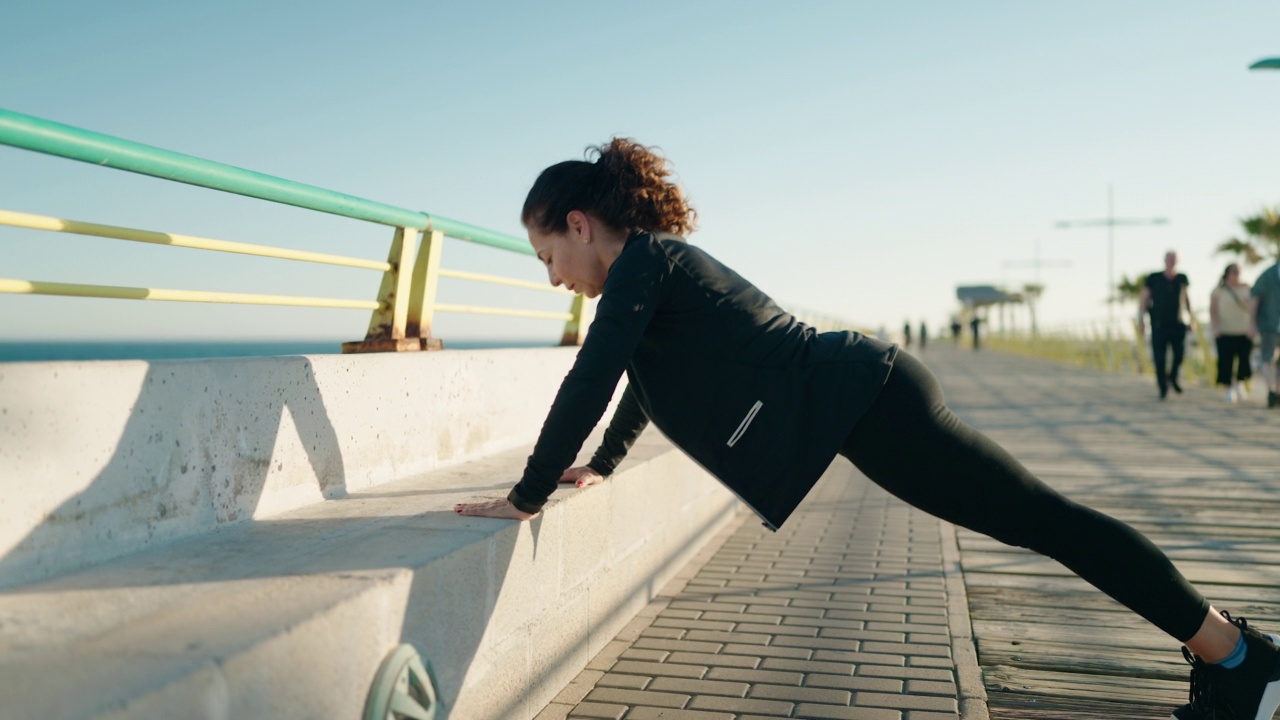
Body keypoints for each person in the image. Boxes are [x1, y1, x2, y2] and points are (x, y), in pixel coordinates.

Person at [454, 138, 1280, 720]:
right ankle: (1233, 658)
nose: (554, 278)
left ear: (578, 224)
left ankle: (1243, 661)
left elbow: (591, 377)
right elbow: (641, 384)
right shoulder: (648, 271)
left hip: (873, 400)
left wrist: (526, 497)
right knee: (1041, 522)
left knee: (1045, 521)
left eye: (545, 255)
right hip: (864, 404)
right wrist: (601, 463)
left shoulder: (645, 264)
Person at [1139, 252, 1192, 400]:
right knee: (1159, 358)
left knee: (1179, 354)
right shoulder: (1154, 278)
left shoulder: (1182, 278)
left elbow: (1186, 298)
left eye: (1174, 259)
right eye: (1169, 259)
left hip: (1178, 323)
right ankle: (1162, 386)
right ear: (1164, 260)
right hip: (1158, 324)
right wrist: (1141, 319)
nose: (1171, 262)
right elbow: (1144, 298)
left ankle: (1173, 377)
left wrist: (1191, 319)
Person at [1209, 264, 1255, 404]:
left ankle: (1239, 383)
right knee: (1225, 361)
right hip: (1225, 331)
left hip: (1244, 330)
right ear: (1227, 273)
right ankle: (1228, 388)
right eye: (1234, 271)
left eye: (1239, 272)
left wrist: (1253, 326)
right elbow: (1213, 310)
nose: (1236, 274)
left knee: (1244, 360)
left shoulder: (1248, 289)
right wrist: (1215, 327)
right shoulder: (1219, 290)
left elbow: (1254, 308)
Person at [1250, 257, 1280, 408]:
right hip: (1269, 325)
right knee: (1267, 357)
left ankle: (1277, 391)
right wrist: (1252, 324)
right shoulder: (1268, 275)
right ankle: (1271, 390)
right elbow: (1255, 298)